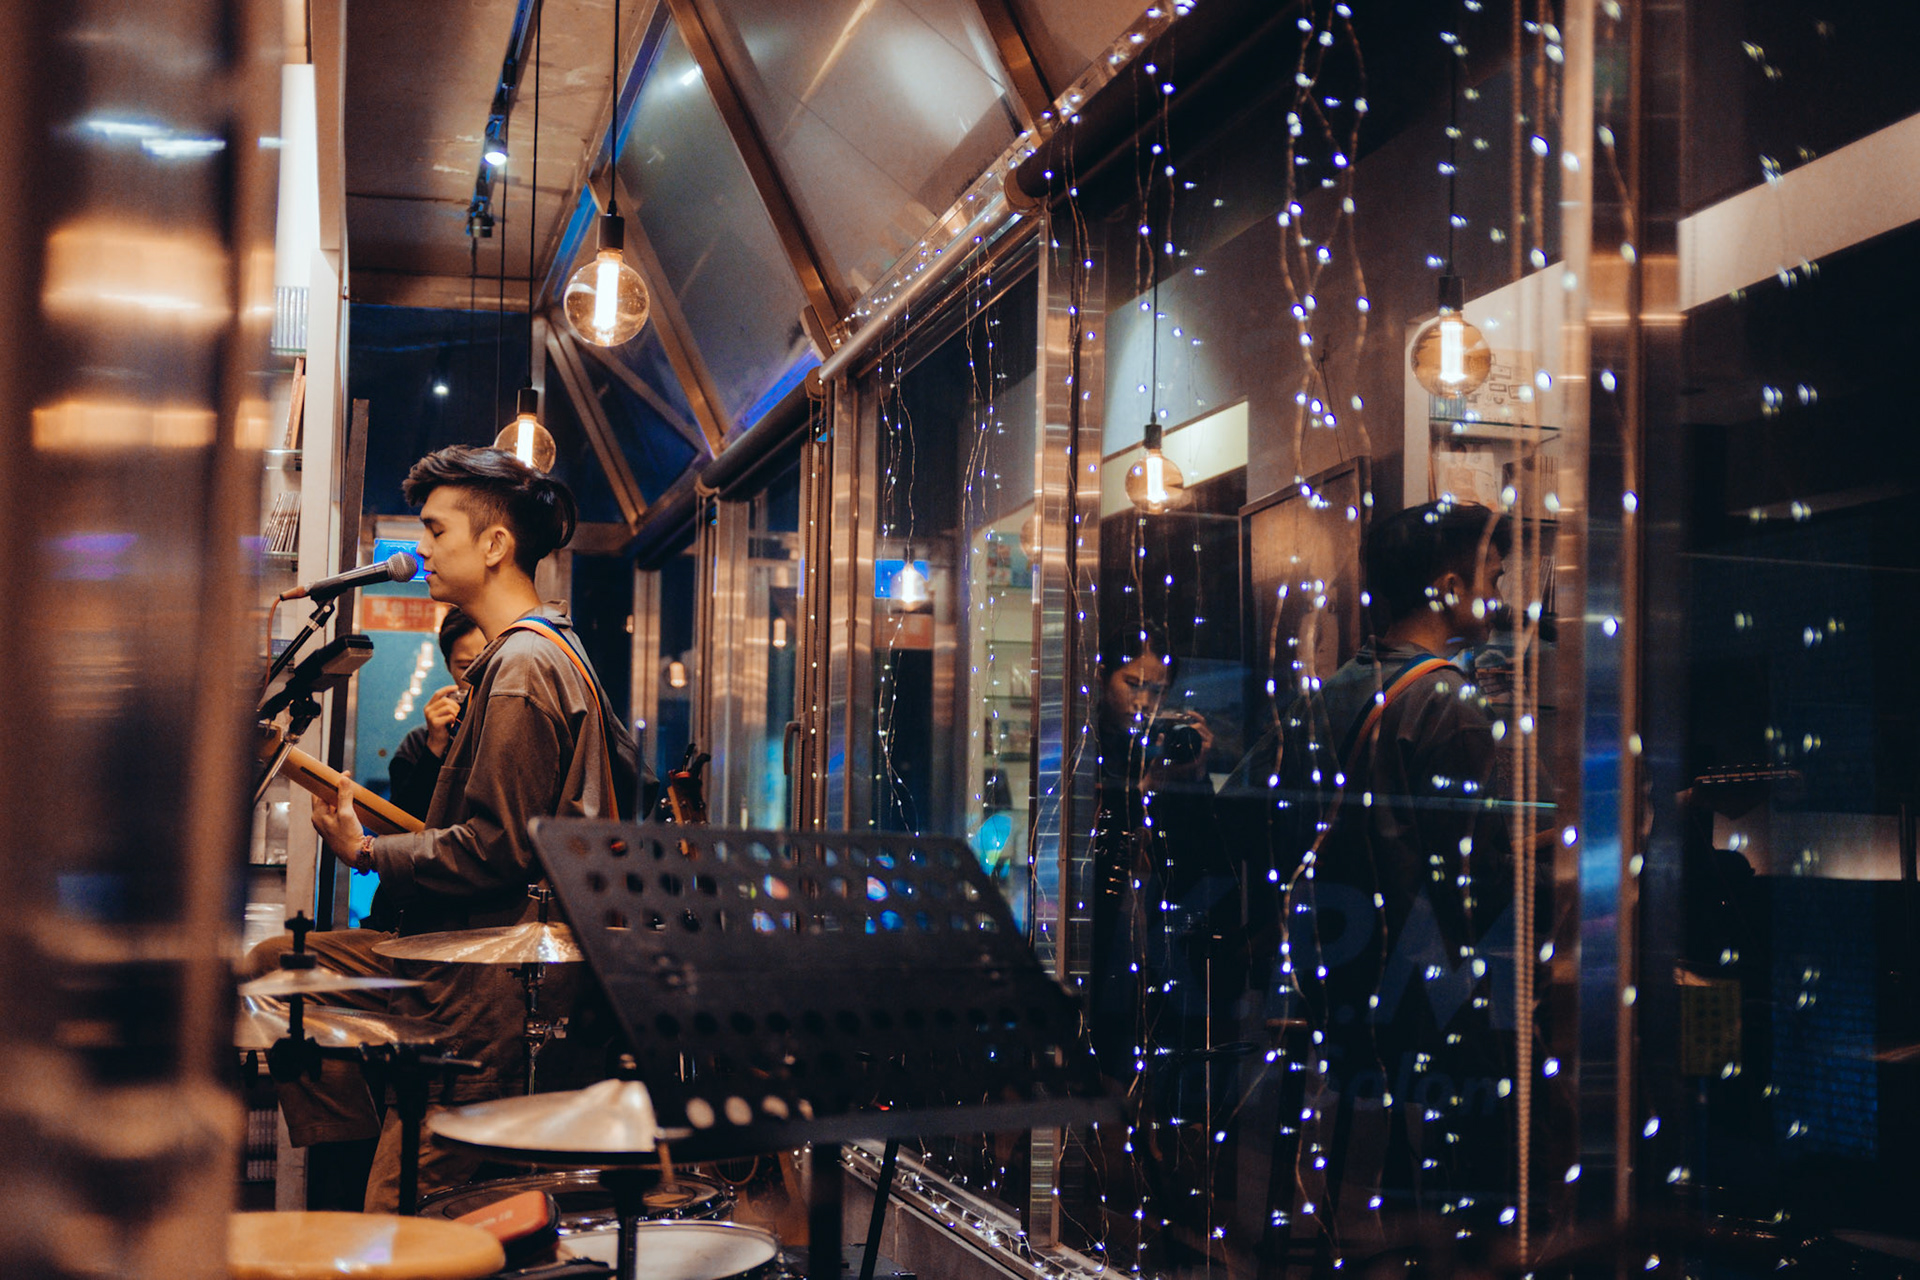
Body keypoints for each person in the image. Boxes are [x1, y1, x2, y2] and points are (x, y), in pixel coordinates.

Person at [244, 445, 638, 1211]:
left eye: (435, 530)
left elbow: (498, 848)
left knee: (406, 1220)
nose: (419, 549)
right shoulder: (530, 656)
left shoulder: (523, 667)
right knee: (280, 969)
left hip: (489, 992)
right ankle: (358, 1137)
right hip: (465, 964)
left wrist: (365, 850)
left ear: (495, 545)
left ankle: (385, 1148)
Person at [1282, 500, 1517, 1262]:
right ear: (1448, 587)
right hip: (1434, 993)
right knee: (1468, 1196)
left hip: (1348, 979)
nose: (1500, 596)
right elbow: (1476, 883)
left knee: (1378, 1177)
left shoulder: (1337, 688)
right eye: (1492, 578)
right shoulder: (1449, 701)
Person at [388, 605, 484, 821]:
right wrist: (434, 747)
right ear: (449, 666)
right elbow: (400, 822)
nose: (478, 677)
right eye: (466, 666)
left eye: (488, 664)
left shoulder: (513, 734)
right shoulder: (417, 743)